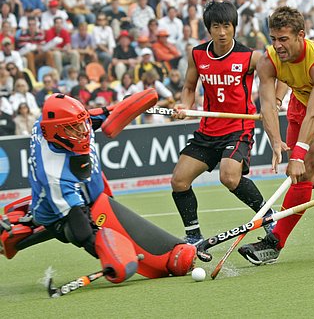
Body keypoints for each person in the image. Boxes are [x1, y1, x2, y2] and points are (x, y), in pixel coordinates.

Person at [1, 92, 198, 281]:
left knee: (81, 207)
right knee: (68, 227)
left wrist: (130, 106)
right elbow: (82, 232)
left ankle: (22, 224)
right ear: (55, 131)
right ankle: (20, 230)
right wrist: (110, 255)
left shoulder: (56, 125)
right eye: (73, 128)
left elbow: (100, 114)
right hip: (65, 211)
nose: (82, 131)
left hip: (85, 188)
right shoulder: (54, 174)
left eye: (80, 124)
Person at [238, 6, 314, 265]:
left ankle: (274, 243)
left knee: (302, 172)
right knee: (304, 175)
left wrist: (299, 155)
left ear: (300, 35)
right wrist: (274, 141)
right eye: (273, 39)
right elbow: (268, 106)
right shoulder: (268, 61)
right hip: (299, 106)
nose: (278, 45)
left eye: (284, 39)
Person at [170, 1, 274, 245]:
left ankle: (270, 218)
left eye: (227, 25)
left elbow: (277, 74)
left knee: (228, 177)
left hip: (238, 129)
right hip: (207, 131)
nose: (222, 32)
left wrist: (276, 100)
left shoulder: (250, 56)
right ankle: (194, 235)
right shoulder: (197, 54)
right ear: (209, 28)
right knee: (179, 181)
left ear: (234, 27)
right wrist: (184, 106)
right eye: (216, 26)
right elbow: (188, 88)